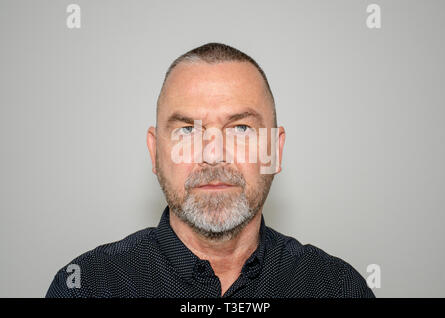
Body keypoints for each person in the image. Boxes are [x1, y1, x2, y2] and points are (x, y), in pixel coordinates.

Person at [46, 42, 375, 298]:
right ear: (155, 152)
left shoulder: (338, 287)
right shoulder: (85, 285)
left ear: (275, 150)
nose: (213, 155)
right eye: (187, 130)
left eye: (241, 129)